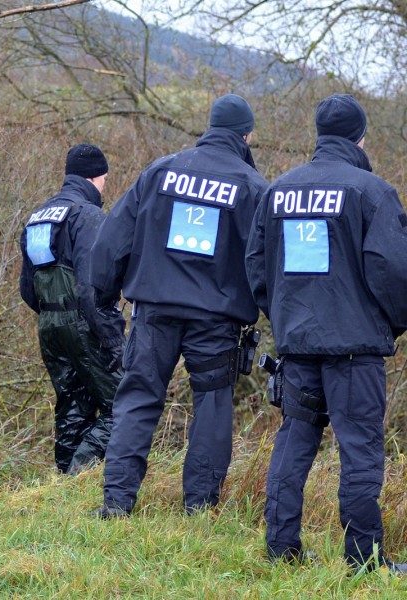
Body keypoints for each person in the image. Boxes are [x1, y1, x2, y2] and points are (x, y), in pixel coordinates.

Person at [246, 94, 407, 571]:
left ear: (318, 134)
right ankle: (363, 559)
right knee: (359, 451)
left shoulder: (278, 191)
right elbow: (394, 272)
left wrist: (283, 317)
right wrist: (388, 326)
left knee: (294, 441)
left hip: (297, 345)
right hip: (355, 352)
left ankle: (281, 548)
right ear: (360, 137)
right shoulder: (371, 192)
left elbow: (257, 267)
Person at [90, 94, 268, 518]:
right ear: (246, 135)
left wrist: (101, 296)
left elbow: (111, 242)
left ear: (209, 126)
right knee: (211, 404)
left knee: (138, 398)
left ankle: (116, 502)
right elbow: (264, 263)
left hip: (155, 310)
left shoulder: (160, 171)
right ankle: (199, 508)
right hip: (217, 318)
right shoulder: (252, 187)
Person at [19, 144, 124, 474]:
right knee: (124, 405)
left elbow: (27, 289)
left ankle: (62, 481)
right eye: (105, 179)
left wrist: (54, 315)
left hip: (49, 325)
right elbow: (92, 285)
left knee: (72, 403)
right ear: (95, 178)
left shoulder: (38, 217)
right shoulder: (87, 216)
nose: (105, 187)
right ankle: (78, 471)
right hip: (83, 323)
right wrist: (111, 339)